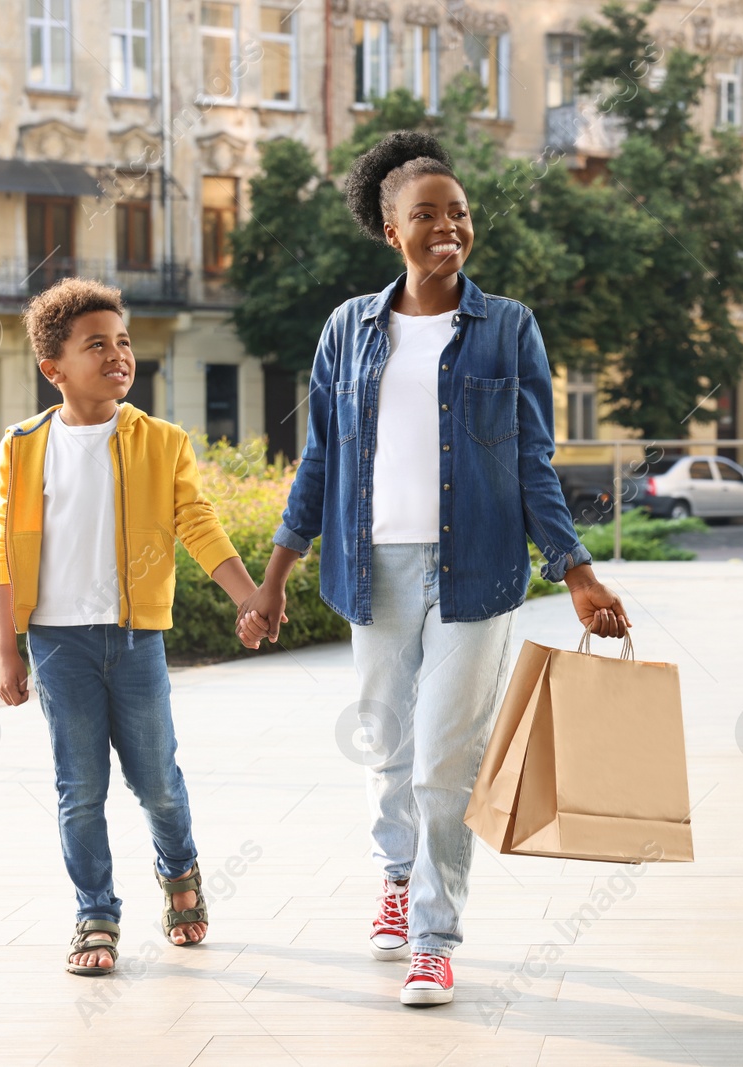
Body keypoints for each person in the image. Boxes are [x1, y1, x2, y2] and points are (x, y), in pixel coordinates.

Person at [238, 131, 632, 1006]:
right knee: (387, 744)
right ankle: (393, 872)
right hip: (368, 566)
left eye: (459, 213)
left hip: (479, 570)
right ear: (392, 231)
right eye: (426, 215)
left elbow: (534, 460)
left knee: (444, 760)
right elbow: (320, 460)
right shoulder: (348, 329)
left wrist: (575, 569)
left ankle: (434, 936)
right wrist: (274, 575)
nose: (448, 227)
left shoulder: (509, 328)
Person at [0, 278, 269, 976]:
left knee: (158, 782)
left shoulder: (160, 441)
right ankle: (96, 912)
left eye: (122, 342)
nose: (117, 355)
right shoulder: (23, 446)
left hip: (135, 638)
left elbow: (196, 523)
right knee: (78, 787)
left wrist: (250, 596)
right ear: (53, 368)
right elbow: (3, 551)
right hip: (57, 641)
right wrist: (7, 652)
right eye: (96, 345)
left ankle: (180, 872)